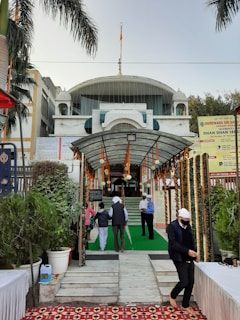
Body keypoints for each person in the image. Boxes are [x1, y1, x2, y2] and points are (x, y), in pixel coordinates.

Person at [167, 208, 200, 315]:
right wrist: (187, 251)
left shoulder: (188, 226)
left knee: (191, 282)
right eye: (185, 219)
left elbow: (190, 241)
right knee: (184, 281)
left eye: (188, 220)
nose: (187, 221)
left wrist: (195, 254)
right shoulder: (172, 227)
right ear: (179, 218)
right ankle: (173, 295)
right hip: (178, 257)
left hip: (189, 256)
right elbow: (173, 244)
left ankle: (186, 304)